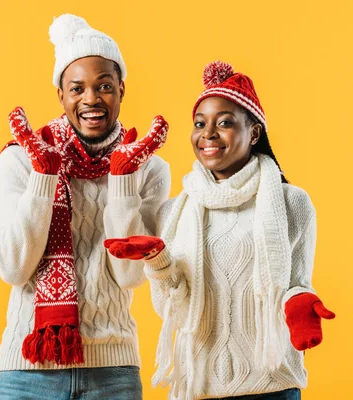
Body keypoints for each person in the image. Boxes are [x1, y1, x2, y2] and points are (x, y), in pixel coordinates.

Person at [105, 61, 335, 400]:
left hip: (271, 386)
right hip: (197, 388)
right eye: (200, 124)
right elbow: (175, 309)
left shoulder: (291, 202)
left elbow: (297, 282)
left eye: (224, 122)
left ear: (254, 133)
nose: (207, 134)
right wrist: (158, 261)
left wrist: (300, 303)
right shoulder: (175, 211)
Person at [0, 13, 170, 400]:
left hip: (114, 372)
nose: (91, 99)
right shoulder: (20, 161)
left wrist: (122, 178)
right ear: (61, 95)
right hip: (29, 373)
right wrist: (44, 175)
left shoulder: (149, 169)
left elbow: (130, 275)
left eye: (104, 86)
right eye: (77, 88)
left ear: (121, 89)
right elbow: (12, 266)